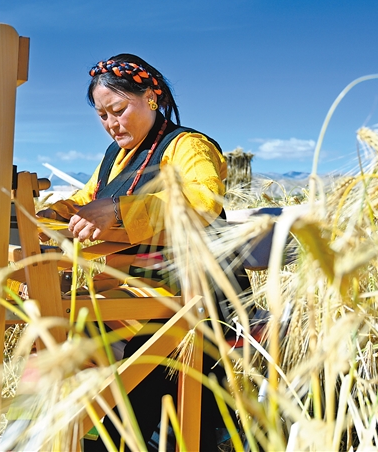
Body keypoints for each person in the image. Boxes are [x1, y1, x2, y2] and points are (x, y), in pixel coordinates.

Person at [39, 54, 247, 451]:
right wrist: (52, 214)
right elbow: (86, 199)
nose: (111, 123)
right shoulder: (114, 158)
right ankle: (79, 434)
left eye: (118, 110)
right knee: (73, 335)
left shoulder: (187, 146)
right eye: (102, 115)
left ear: (152, 97)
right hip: (140, 290)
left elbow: (203, 201)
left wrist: (119, 211)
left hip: (193, 293)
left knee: (141, 378)